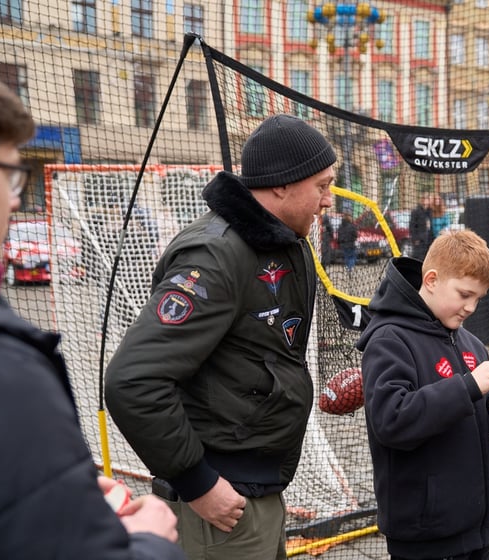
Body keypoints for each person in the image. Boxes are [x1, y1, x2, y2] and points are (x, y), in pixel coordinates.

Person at [104, 114, 337, 560]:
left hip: (258, 489)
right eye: (321, 186)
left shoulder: (288, 242)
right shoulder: (214, 256)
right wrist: (199, 484)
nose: (328, 200)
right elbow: (133, 382)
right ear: (282, 185)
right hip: (218, 505)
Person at [0, 70, 183, 559]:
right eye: (8, 174)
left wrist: (62, 492)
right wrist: (151, 541)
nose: (14, 197)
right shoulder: (1, 367)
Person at [357, 229, 489, 560]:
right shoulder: (389, 339)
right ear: (430, 280)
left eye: (479, 298)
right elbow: (392, 420)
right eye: (464, 294)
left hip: (480, 527)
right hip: (427, 536)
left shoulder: (469, 342)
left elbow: (462, 416)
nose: (471, 307)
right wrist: (469, 385)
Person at [408, 194, 432, 260]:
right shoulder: (416, 211)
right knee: (418, 259)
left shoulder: (429, 211)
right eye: (423, 199)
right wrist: (415, 239)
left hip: (428, 240)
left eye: (426, 199)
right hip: (419, 240)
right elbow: (412, 227)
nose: (425, 201)